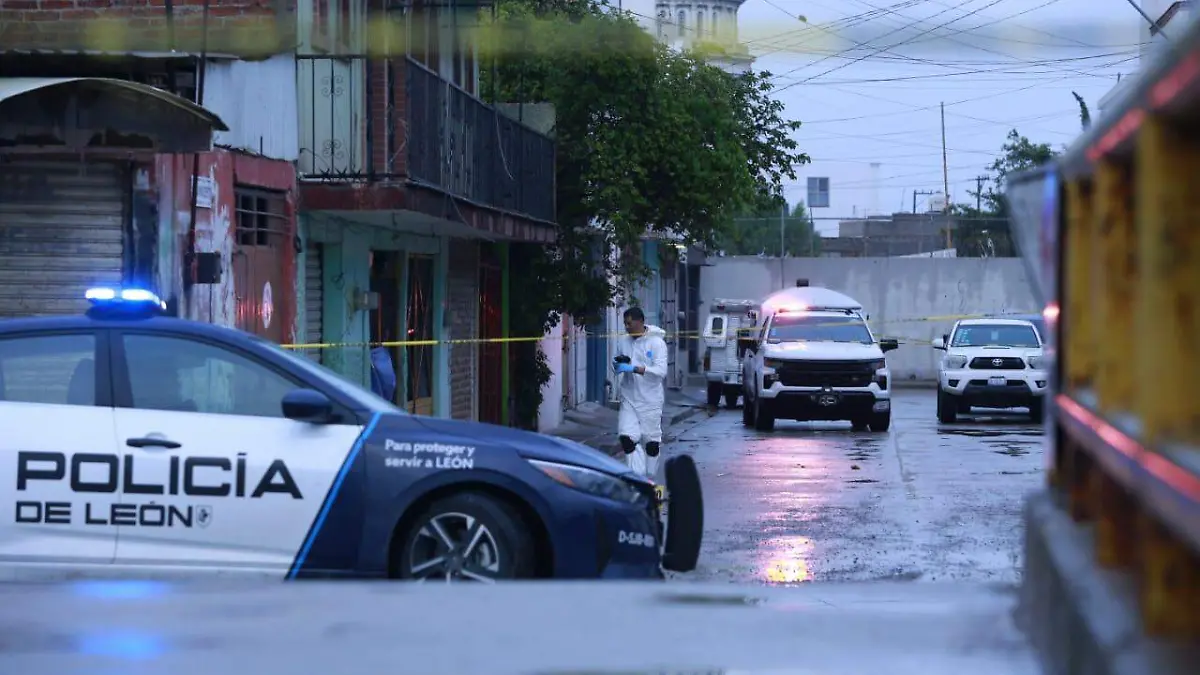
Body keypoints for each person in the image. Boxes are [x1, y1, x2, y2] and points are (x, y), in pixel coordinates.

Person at [612, 306, 669, 479]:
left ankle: (649, 477)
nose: (627, 327)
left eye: (630, 323)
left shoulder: (656, 343)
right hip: (629, 398)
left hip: (650, 401)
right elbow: (616, 364)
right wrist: (618, 365)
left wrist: (636, 368)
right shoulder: (624, 341)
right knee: (626, 438)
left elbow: (661, 371)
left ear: (641, 322)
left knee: (651, 443)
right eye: (625, 324)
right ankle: (637, 477)